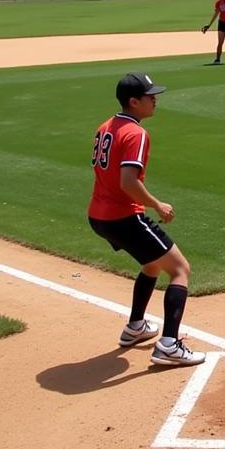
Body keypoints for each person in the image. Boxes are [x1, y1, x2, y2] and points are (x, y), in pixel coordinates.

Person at [87, 72, 205, 367]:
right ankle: (169, 345)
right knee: (180, 269)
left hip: (99, 215)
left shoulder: (106, 126)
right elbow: (128, 182)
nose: (155, 100)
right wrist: (157, 205)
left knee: (152, 264)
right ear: (133, 102)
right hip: (123, 215)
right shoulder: (136, 133)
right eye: (150, 96)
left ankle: (135, 327)